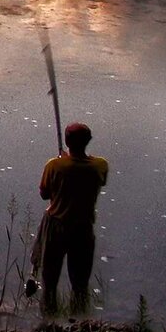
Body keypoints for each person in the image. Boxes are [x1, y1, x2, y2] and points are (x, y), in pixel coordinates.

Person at [34, 121, 109, 314]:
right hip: (83, 229)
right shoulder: (100, 165)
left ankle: (49, 324)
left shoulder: (54, 165)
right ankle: (79, 324)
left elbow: (44, 194)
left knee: (49, 282)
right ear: (88, 140)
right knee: (80, 284)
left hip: (56, 227)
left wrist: (62, 161)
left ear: (67, 141)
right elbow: (87, 175)